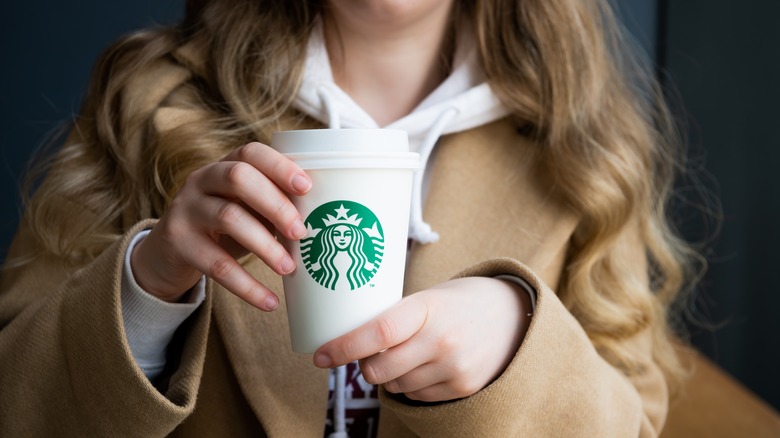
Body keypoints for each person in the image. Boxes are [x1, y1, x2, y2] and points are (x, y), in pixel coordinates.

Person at [0, 0, 698, 436]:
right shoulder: (148, 105)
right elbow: (18, 405)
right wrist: (147, 283)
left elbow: (632, 419)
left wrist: (521, 349)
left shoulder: (582, 149)